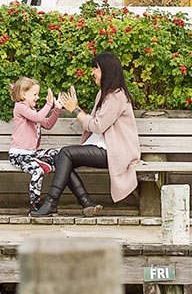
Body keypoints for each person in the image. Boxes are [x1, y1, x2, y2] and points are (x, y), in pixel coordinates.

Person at [31, 52, 142, 218]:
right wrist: (77, 108)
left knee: (65, 154)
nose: (92, 73)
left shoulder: (117, 96)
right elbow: (95, 122)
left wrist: (75, 110)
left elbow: (97, 126)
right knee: (59, 157)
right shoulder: (103, 95)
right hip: (101, 148)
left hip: (114, 152)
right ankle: (86, 203)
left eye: (95, 69)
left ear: (106, 70)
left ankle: (52, 203)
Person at [7, 77, 62, 214]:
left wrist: (57, 109)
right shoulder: (20, 107)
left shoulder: (32, 110)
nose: (37, 97)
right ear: (24, 94)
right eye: (35, 94)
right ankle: (34, 204)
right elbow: (37, 118)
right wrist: (49, 104)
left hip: (31, 153)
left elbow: (48, 124)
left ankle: (41, 161)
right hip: (18, 155)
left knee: (59, 153)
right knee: (38, 171)